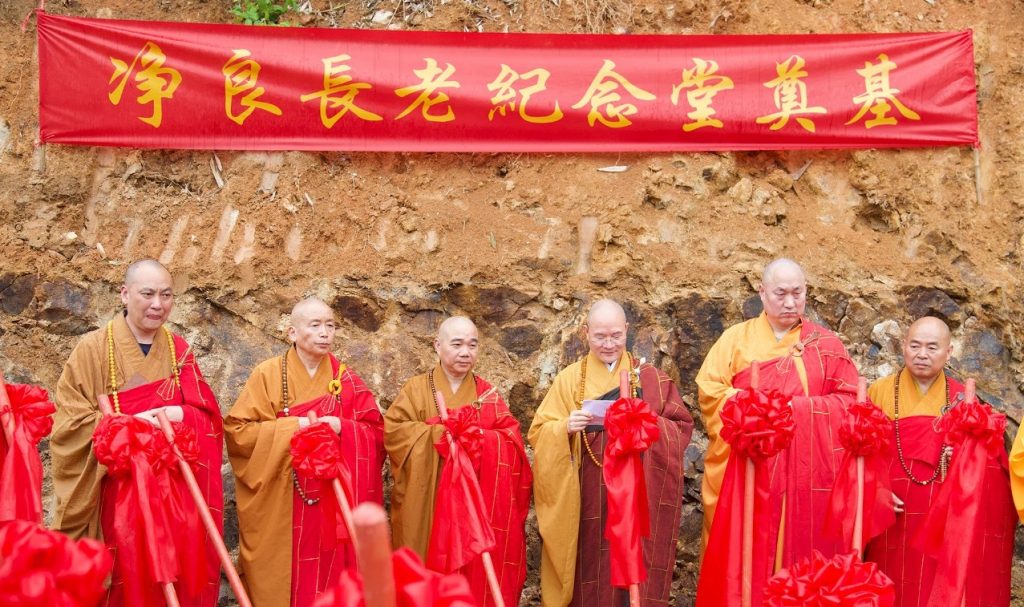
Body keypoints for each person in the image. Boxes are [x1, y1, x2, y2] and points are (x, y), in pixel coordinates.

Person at [50, 258, 222, 606]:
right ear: (124, 294)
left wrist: (178, 413)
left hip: (172, 496)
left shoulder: (179, 350)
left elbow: (209, 420)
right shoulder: (93, 349)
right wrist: (125, 427)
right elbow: (69, 423)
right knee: (124, 578)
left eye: (166, 295)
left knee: (171, 577)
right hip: (117, 492)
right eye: (147, 294)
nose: (157, 304)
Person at [694, 258, 858, 604]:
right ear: (762, 292)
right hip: (750, 474)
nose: (789, 302)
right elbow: (710, 392)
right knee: (744, 557)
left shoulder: (825, 345)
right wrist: (750, 407)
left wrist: (793, 410)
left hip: (806, 477)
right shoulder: (735, 340)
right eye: (780, 293)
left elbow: (848, 403)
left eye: (797, 293)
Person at [529, 299, 694, 607]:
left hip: (638, 492)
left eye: (616, 336)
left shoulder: (650, 378)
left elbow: (681, 426)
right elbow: (539, 432)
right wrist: (565, 427)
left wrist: (646, 422)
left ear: (627, 332)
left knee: (633, 565)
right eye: (600, 336)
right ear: (585, 333)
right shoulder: (569, 380)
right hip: (589, 494)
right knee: (591, 569)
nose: (608, 344)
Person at [224, 297, 386, 607]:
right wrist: (292, 427)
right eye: (315, 325)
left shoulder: (346, 380)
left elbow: (376, 434)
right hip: (284, 500)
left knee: (330, 582)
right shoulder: (268, 375)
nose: (325, 332)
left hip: (330, 504)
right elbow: (238, 432)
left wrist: (342, 426)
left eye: (330, 325)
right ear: (292, 333)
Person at [865, 316, 1017, 607]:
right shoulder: (878, 392)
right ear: (903, 347)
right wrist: (877, 489)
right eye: (915, 345)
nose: (922, 354)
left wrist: (966, 458)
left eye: (932, 347)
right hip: (891, 516)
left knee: (933, 589)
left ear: (948, 353)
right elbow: (858, 456)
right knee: (891, 587)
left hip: (942, 522)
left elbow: (994, 465)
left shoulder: (965, 401)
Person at [384, 316, 532, 607]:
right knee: (424, 571)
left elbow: (511, 440)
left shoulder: (487, 394)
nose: (466, 352)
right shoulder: (415, 390)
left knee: (473, 576)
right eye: (457, 344)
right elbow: (394, 432)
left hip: (473, 503)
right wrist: (436, 435)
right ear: (438, 346)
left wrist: (478, 439)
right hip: (428, 500)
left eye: (473, 345)